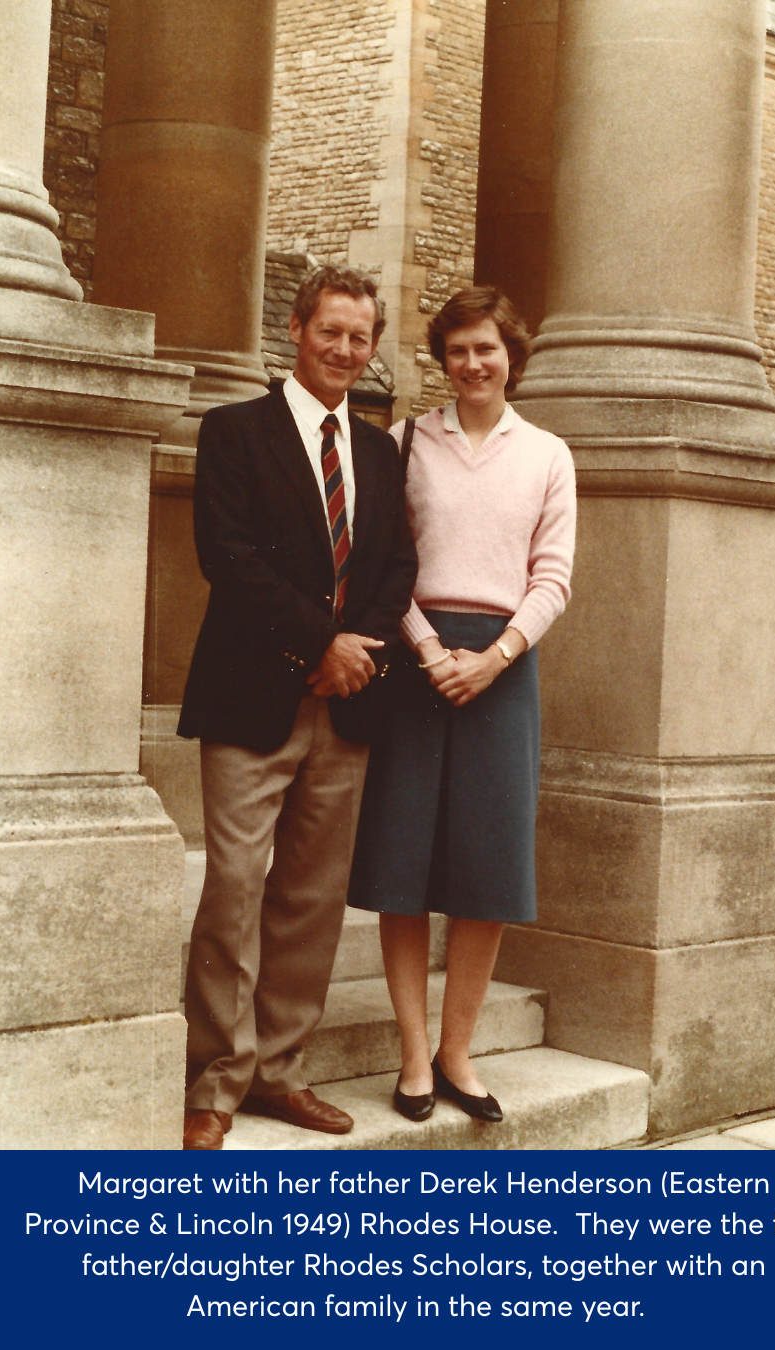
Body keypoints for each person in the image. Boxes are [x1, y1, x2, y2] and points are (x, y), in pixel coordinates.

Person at [178, 265, 417, 1150]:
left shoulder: (382, 449)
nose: (346, 351)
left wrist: (355, 654)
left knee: (312, 901)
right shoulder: (234, 430)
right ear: (296, 328)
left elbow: (397, 569)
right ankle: (215, 1083)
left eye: (361, 338)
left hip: (347, 705)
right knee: (235, 891)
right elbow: (227, 556)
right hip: (251, 697)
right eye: (331, 333)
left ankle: (280, 1074)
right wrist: (319, 641)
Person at [348, 286, 576, 1124]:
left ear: (511, 354)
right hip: (416, 662)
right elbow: (384, 563)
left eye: (487, 349)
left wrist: (496, 658)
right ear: (440, 361)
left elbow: (552, 576)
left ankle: (457, 1051)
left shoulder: (548, 454)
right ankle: (413, 1057)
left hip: (504, 669)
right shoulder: (406, 442)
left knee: (486, 873)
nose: (473, 364)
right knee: (404, 870)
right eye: (457, 352)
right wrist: (431, 650)